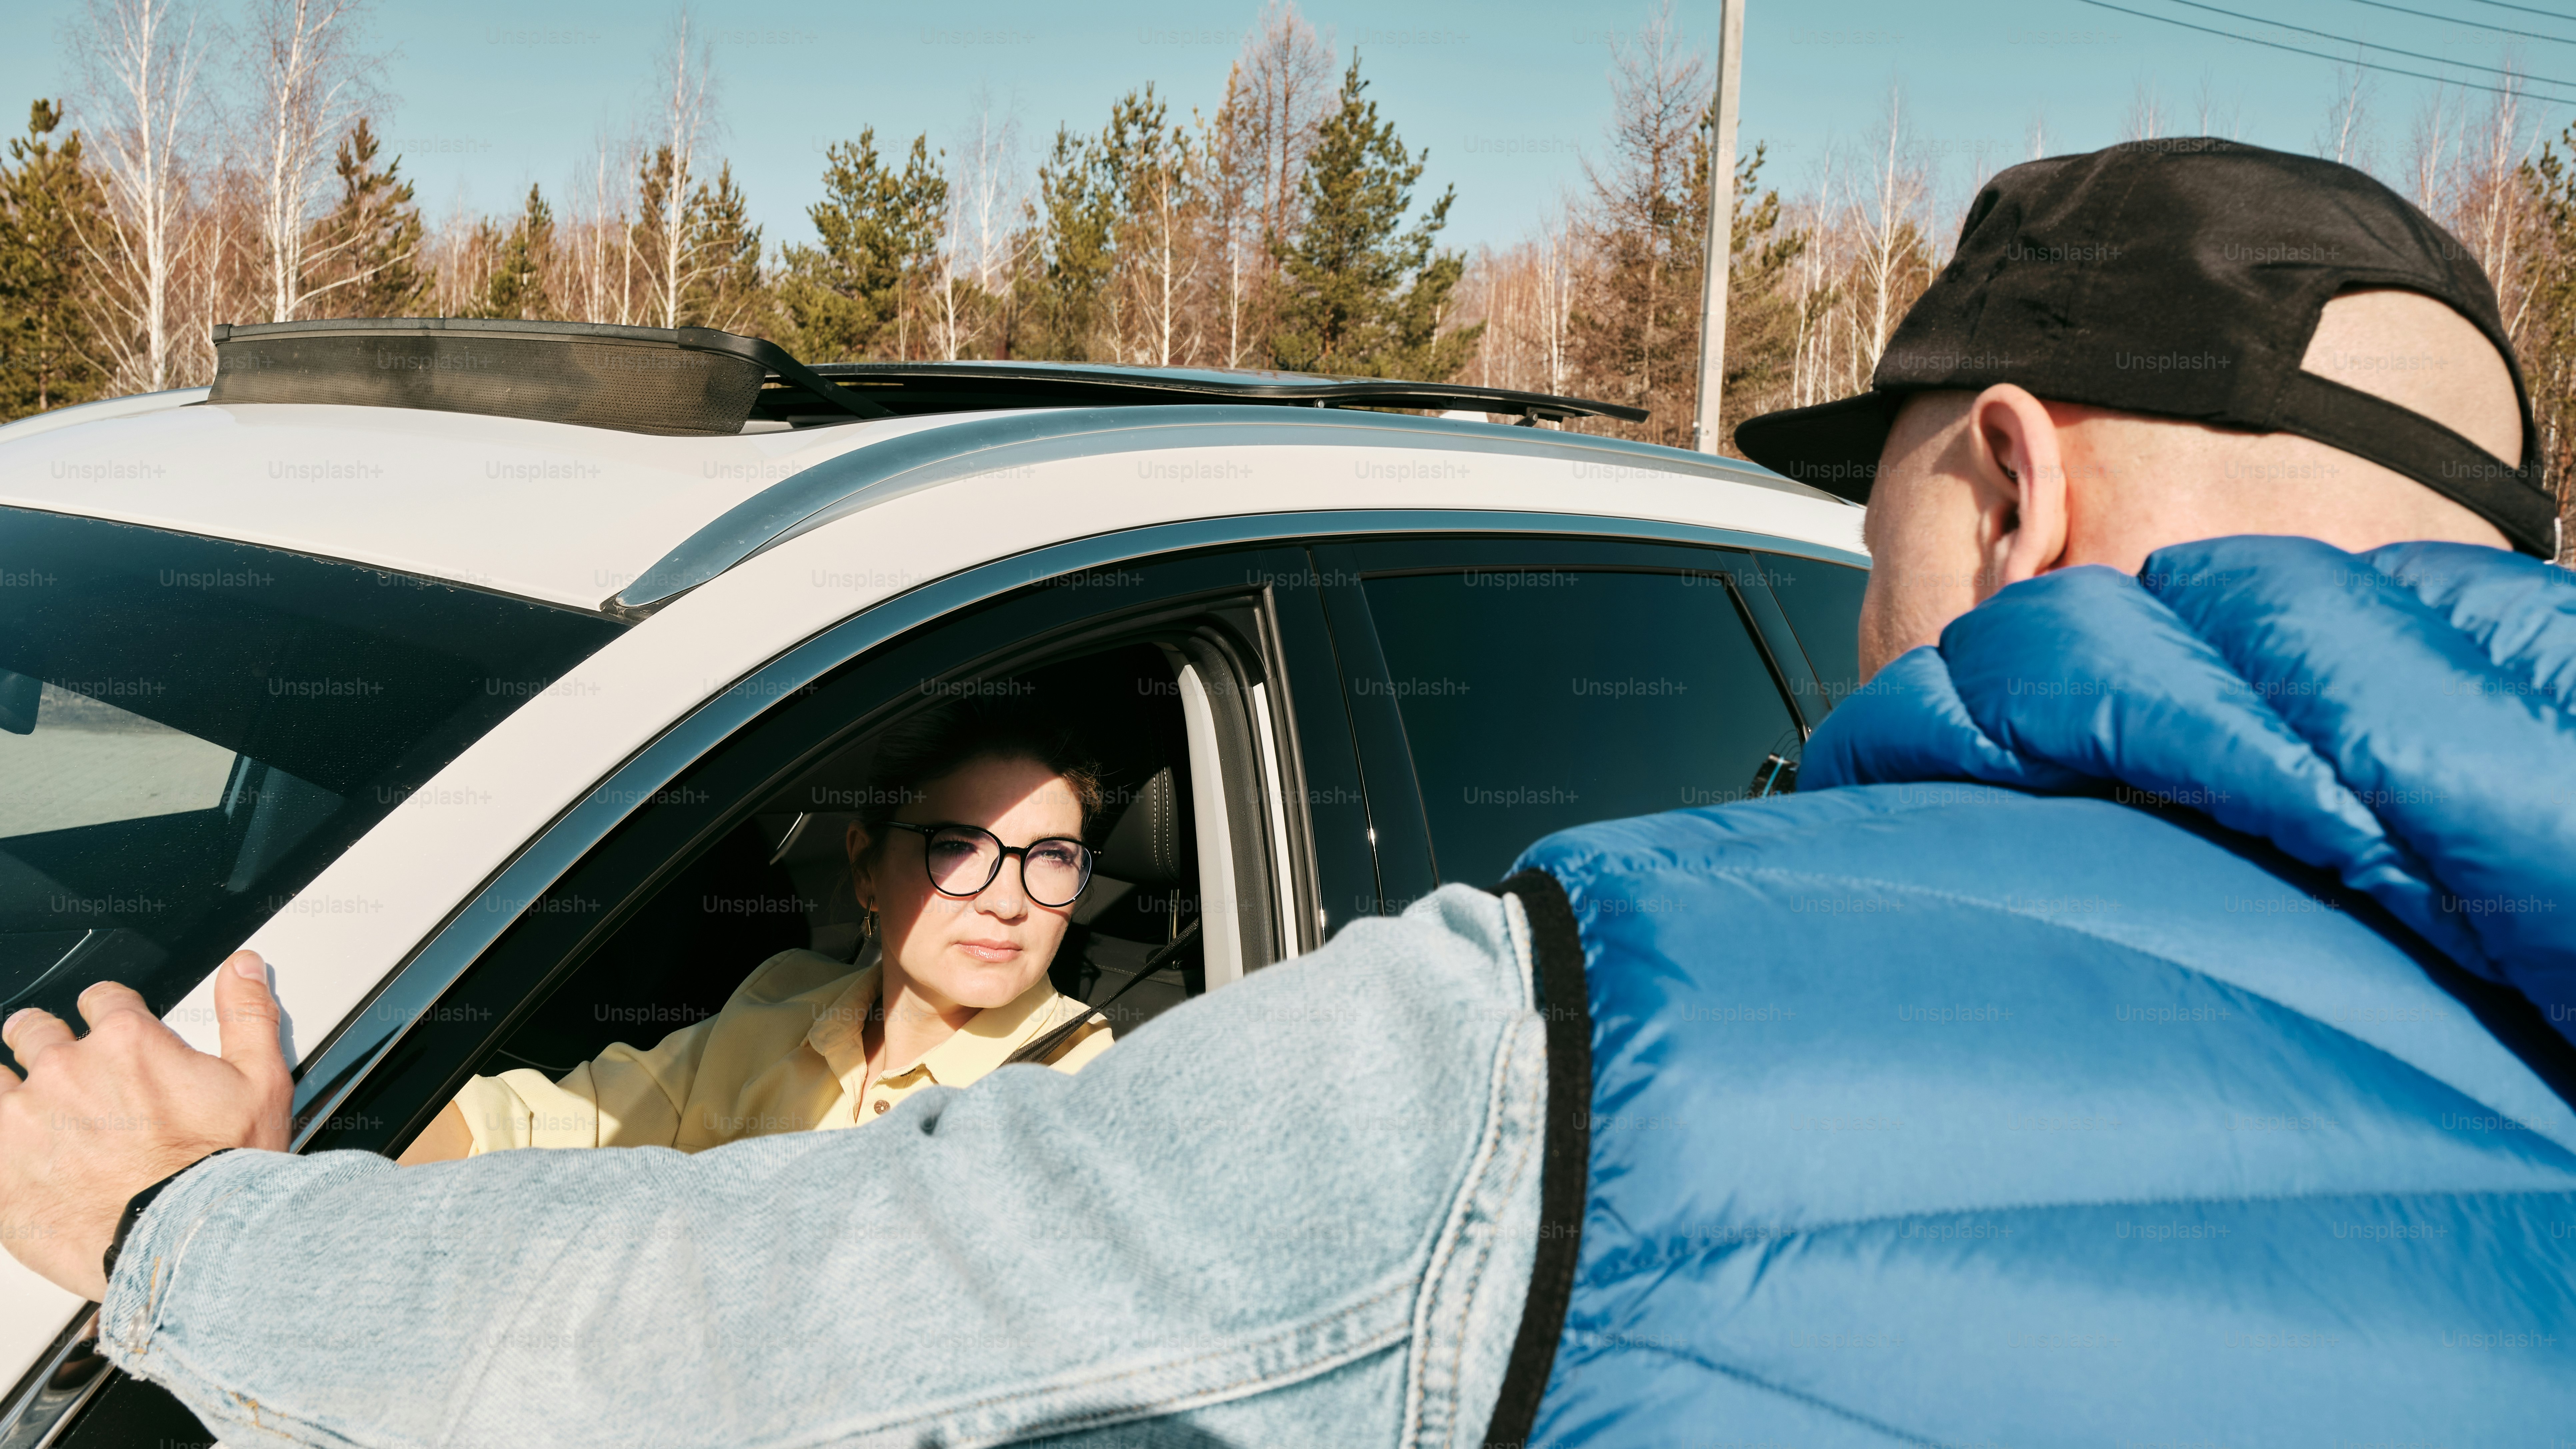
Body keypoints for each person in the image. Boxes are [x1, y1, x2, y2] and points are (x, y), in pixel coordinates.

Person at [1, 139, 2571, 1448]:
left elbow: (744, 1331)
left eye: (1873, 504)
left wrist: (175, 1228)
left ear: (2004, 482)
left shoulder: (1610, 1046)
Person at [397, 702, 1113, 1163]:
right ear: (867, 868)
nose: (1007, 902)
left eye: (1051, 857)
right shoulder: (781, 998)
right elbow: (533, 1125)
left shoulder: (1084, 1089)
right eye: (960, 847)